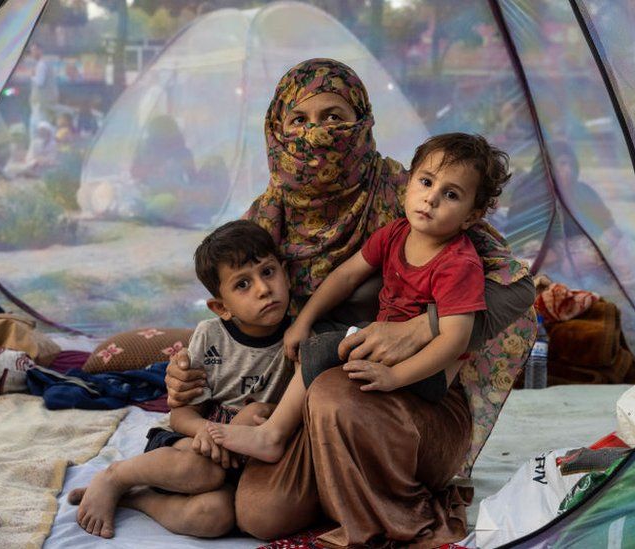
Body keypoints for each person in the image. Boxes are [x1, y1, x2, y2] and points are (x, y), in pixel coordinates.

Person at [166, 58, 536, 547]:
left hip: (409, 402)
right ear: (277, 129)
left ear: (361, 122)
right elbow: (238, 312)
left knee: (332, 390)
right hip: (307, 401)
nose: (318, 134)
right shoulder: (266, 217)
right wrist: (185, 372)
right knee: (259, 514)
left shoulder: (409, 198)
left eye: (334, 116)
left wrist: (419, 328)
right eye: (300, 120)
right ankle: (336, 484)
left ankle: (377, 508)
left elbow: (518, 288)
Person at [209, 133, 509, 464]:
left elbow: (455, 340)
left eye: (450, 194)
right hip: (385, 338)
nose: (431, 199)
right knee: (318, 330)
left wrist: (396, 376)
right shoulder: (396, 234)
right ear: (409, 183)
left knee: (322, 348)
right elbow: (346, 276)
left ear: (470, 216)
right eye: (426, 182)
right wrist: (304, 321)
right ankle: (284, 417)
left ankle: (273, 435)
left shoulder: (457, 263)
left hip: (427, 371)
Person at [68, 220, 294, 539]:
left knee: (213, 516)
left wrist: (238, 430)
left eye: (268, 272)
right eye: (243, 284)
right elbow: (181, 413)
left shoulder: (299, 338)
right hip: (187, 445)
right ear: (222, 307)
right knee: (203, 469)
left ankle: (138, 498)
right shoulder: (211, 336)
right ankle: (115, 477)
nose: (263, 289)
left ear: (285, 273)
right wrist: (209, 433)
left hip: (243, 459)